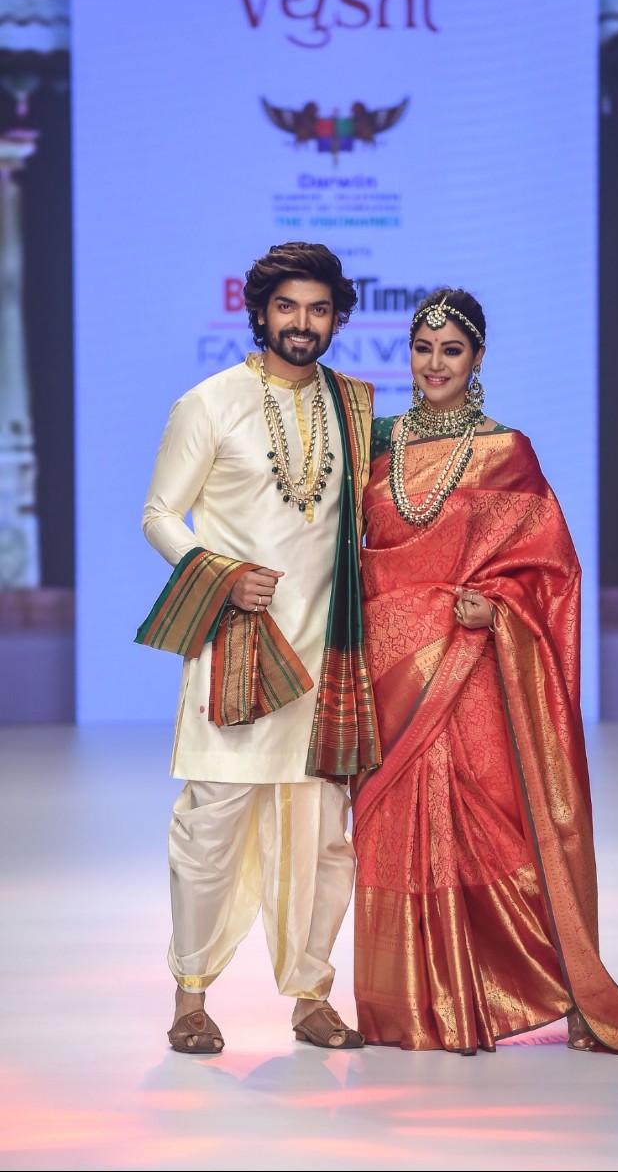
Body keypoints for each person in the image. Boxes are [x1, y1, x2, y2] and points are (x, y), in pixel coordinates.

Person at [352, 287, 618, 1059]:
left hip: (469, 671)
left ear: (477, 359)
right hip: (389, 670)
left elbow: (550, 568)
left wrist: (495, 604)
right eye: (423, 348)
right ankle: (403, 1003)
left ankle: (495, 991)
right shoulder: (375, 443)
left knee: (479, 827)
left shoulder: (506, 451)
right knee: (393, 826)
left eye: (451, 350)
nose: (434, 364)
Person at [136, 241, 380, 1054]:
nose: (302, 323)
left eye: (318, 309)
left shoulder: (353, 407)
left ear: (336, 318)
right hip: (241, 652)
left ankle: (311, 996)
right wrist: (220, 573)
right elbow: (159, 514)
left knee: (324, 838)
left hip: (327, 658)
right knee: (210, 829)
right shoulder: (209, 403)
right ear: (260, 312)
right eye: (287, 307)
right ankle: (190, 998)